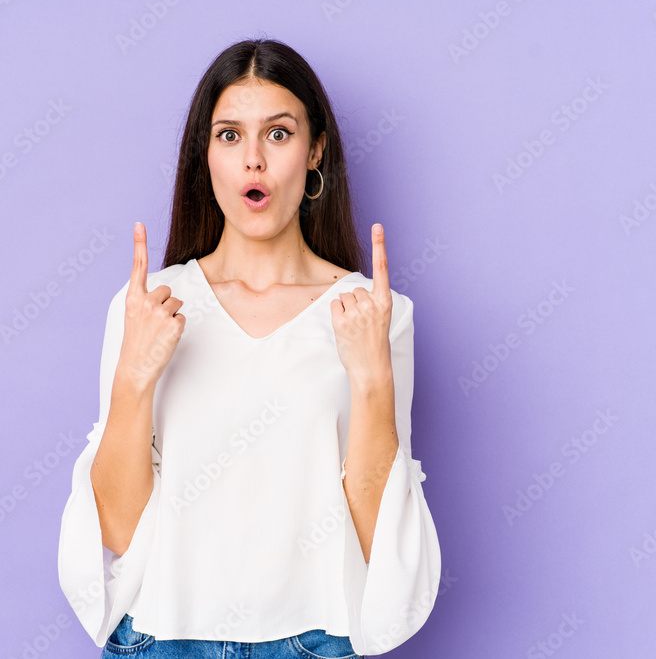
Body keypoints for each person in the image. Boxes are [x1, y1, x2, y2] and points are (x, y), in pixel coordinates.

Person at [57, 37, 441, 658]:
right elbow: (120, 530)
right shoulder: (150, 305)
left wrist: (371, 382)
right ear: (205, 156)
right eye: (230, 136)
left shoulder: (373, 314)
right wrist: (134, 379)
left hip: (313, 641)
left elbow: (380, 539)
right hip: (161, 639)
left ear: (315, 150)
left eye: (280, 134)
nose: (253, 161)